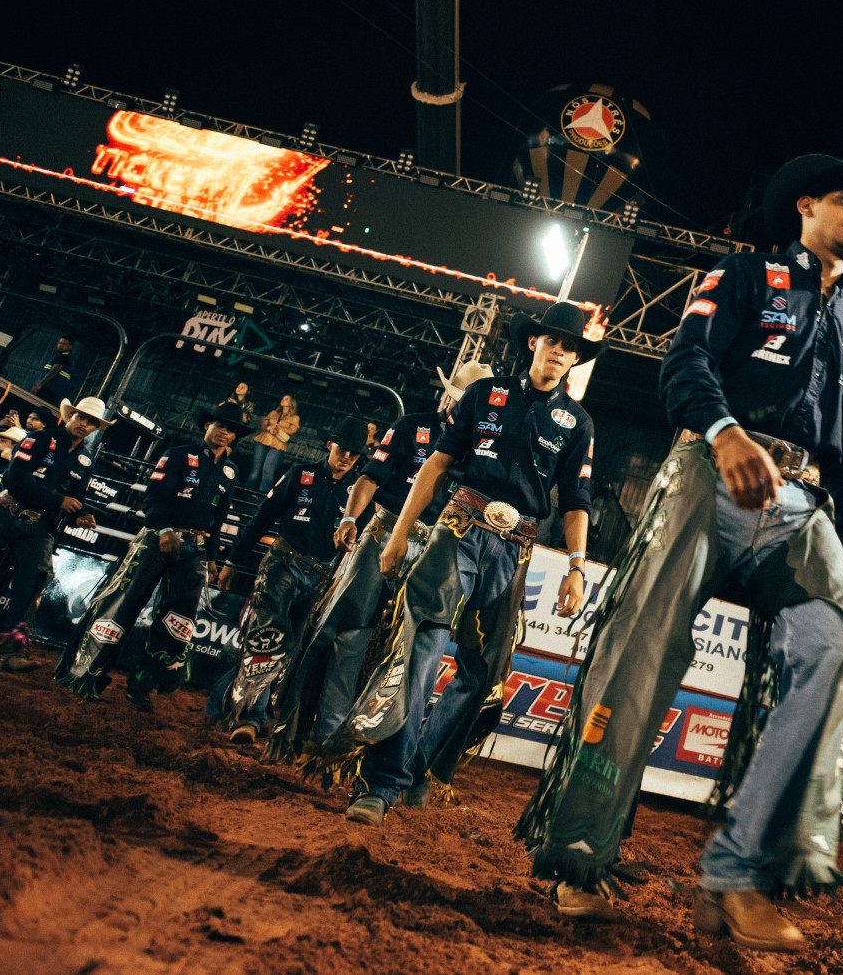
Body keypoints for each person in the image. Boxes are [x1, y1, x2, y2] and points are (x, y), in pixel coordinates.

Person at [519, 153, 843, 951]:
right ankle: (579, 857)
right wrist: (725, 430)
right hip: (710, 469)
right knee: (642, 647)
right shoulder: (742, 273)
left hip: (804, 501)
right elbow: (686, 361)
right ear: (804, 205)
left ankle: (741, 872)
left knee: (835, 640)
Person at [347, 303, 599, 823]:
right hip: (456, 531)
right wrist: (398, 535)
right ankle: (382, 782)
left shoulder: (577, 423)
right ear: (533, 343)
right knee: (420, 647)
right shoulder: (485, 394)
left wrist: (577, 566)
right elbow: (436, 466)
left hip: (517, 548)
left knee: (483, 675)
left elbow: (576, 501)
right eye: (551, 340)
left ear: (574, 359)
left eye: (568, 346)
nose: (558, 351)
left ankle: (418, 768)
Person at [268, 361, 496, 767]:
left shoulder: (484, 446)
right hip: (386, 533)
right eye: (462, 399)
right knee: (347, 630)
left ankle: (369, 747)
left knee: (406, 649)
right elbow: (370, 477)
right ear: (450, 398)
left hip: (439, 548)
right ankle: (319, 732)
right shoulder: (411, 427)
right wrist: (350, 518)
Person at [56, 400, 248, 708]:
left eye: (232, 430)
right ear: (206, 426)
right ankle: (87, 671)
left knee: (178, 617)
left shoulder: (229, 471)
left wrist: (212, 557)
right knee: (125, 601)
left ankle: (143, 683)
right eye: (221, 426)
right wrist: (164, 529)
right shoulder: (177, 455)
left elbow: (220, 518)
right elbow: (155, 496)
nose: (225, 433)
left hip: (196, 548)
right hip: (158, 538)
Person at [205, 419, 371, 744]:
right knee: (268, 637)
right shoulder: (299, 474)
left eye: (354, 453)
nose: (347, 456)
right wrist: (232, 561)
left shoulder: (360, 493)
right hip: (283, 563)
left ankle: (221, 703)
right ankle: (250, 718)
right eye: (343, 449)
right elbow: (263, 516)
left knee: (288, 648)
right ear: (329, 445)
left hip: (324, 577)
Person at [0, 398, 111, 639]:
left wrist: (80, 515)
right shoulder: (39, 439)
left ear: (96, 428)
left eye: (91, 422)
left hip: (40, 522)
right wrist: (59, 501)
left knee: (34, 580)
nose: (84, 424)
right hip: (6, 508)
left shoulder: (86, 460)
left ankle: (14, 643)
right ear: (70, 416)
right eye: (81, 417)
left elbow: (76, 496)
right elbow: (16, 478)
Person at [248, 394, 301, 491]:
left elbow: (293, 430)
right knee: (255, 469)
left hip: (278, 445)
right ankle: (246, 490)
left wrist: (279, 428)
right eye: (283, 397)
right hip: (263, 441)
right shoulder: (273, 412)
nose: (283, 399)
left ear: (291, 403)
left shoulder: (295, 417)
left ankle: (262, 495)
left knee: (268, 471)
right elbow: (263, 424)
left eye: (286, 399)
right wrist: (268, 428)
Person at [30, 334, 78, 401]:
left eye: (64, 344)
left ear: (70, 346)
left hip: (48, 390)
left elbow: (54, 370)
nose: (60, 345)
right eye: (59, 343)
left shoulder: (64, 356)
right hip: (51, 390)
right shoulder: (64, 357)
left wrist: (40, 384)